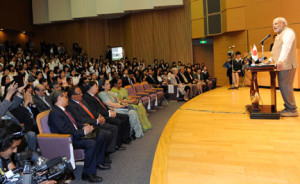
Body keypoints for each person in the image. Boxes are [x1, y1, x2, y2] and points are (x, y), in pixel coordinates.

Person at [48, 90, 110, 183]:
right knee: (90, 143)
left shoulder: (63, 109)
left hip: (75, 134)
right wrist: (83, 132)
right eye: (65, 97)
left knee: (99, 135)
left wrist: (85, 127)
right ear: (59, 98)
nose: (67, 98)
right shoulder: (55, 113)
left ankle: (98, 162)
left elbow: (75, 123)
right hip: (67, 139)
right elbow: (64, 131)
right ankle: (87, 174)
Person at [0, 120, 56, 184]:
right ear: (2, 145)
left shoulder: (5, 157)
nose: (15, 151)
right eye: (13, 147)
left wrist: (34, 174)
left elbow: (17, 177)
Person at [270, 17, 298, 117]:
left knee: (286, 87)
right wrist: (270, 60)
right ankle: (288, 107)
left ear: (283, 24)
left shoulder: (288, 32)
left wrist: (281, 60)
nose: (274, 26)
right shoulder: (279, 35)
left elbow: (286, 47)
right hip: (282, 66)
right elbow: (277, 51)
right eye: (273, 24)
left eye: (276, 23)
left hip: (287, 65)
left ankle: (292, 110)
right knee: (283, 87)